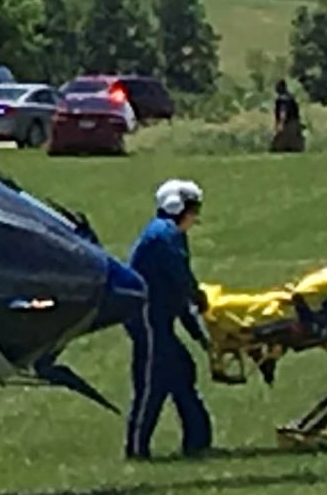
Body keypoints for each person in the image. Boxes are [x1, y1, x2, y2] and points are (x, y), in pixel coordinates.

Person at [123, 179, 213, 460]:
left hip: (161, 318)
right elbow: (180, 279)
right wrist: (197, 295)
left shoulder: (173, 234)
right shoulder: (163, 236)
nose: (195, 216)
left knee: (181, 371)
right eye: (193, 209)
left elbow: (178, 292)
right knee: (151, 382)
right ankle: (137, 448)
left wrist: (198, 334)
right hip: (147, 319)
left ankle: (197, 442)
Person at [270, 80, 304, 152]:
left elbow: (283, 112)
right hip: (294, 123)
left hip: (287, 124)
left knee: (280, 144)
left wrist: (281, 124)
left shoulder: (282, 99)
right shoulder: (290, 97)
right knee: (294, 144)